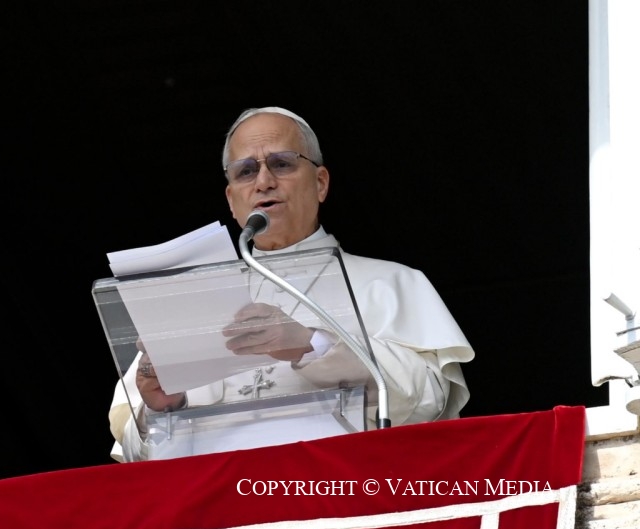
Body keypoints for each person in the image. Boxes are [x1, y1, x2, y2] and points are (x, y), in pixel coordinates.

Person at [109, 106, 474, 462]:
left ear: (320, 183)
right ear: (231, 200)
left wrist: (312, 345)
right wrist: (161, 410)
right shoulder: (187, 300)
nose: (264, 181)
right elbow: (134, 456)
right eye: (246, 171)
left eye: (281, 164)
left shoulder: (390, 282)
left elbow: (431, 402)